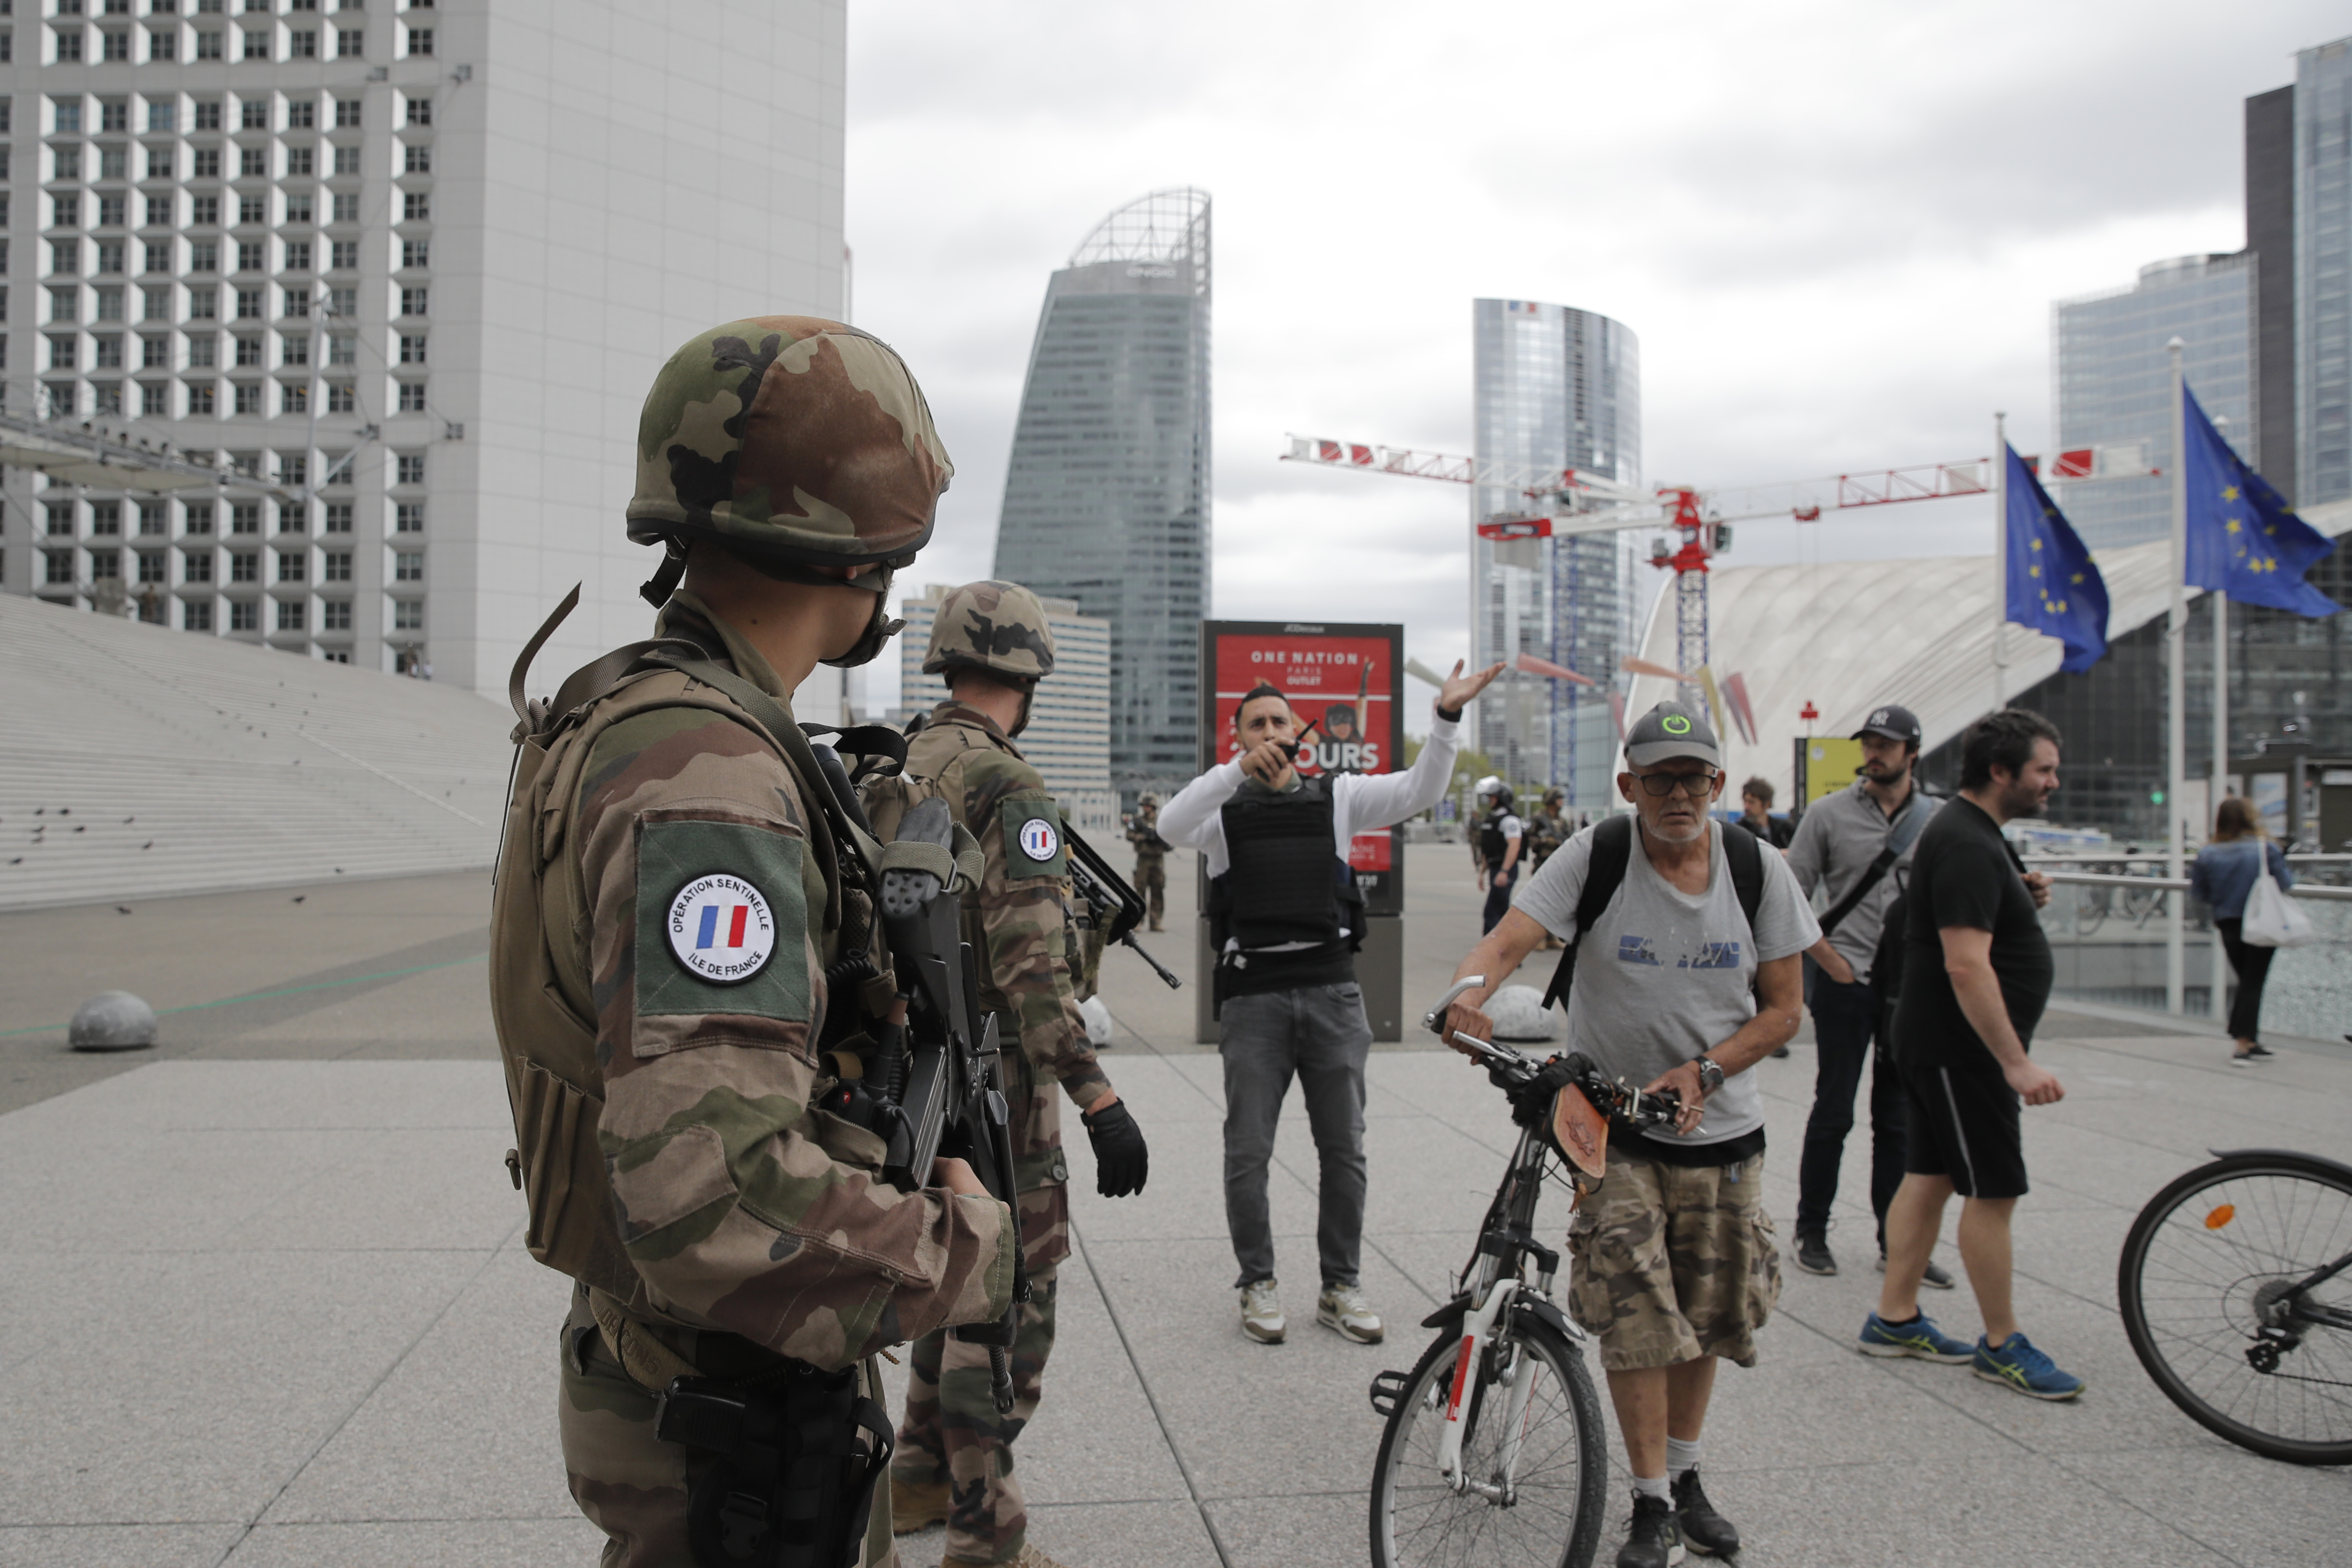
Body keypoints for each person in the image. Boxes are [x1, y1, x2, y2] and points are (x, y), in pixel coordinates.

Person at [490, 316, 1015, 1568]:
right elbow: (715, 1192)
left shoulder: (629, 709)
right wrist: (962, 1249)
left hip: (682, 1369)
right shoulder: (706, 774)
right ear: (865, 554)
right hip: (731, 1417)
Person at [1444, 700, 1817, 1568]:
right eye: (1659, 779)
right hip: (1612, 1133)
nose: (1678, 794)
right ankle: (1649, 1500)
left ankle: (1685, 1478)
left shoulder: (1759, 872)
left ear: (1718, 784)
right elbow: (1513, 938)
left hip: (1725, 1136)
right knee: (1636, 1313)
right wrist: (1470, 992)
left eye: (1693, 778)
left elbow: (1786, 1012)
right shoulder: (1600, 853)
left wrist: (1706, 1070)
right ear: (1630, 785)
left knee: (1707, 1313)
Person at [877, 580, 1148, 1568]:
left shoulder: (905, 761)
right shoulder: (1010, 787)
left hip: (920, 1081)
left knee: (952, 1277)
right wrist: (1098, 1095)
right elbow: (1036, 973)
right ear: (1030, 674)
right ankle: (987, 1538)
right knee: (1008, 1306)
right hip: (998, 1085)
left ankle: (913, 1476)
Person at [1157, 659, 1503, 1345]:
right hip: (1253, 999)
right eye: (1254, 724)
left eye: (1279, 721)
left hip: (1333, 994)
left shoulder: (1338, 797)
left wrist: (1445, 720)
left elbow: (1422, 789)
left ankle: (1340, 1286)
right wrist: (1235, 772)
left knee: (1344, 1150)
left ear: (1298, 732)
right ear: (1238, 738)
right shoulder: (1220, 811)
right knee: (1247, 1151)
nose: (1269, 731)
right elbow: (1169, 825)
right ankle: (1257, 1283)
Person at [1862, 707, 2085, 1401]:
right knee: (1994, 1189)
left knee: (1928, 1175)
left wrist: (2020, 897)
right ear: (2000, 771)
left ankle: (1895, 1315)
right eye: (2043, 769)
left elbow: (1965, 927)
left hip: (1938, 1041)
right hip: (1962, 1050)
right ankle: (2001, 1341)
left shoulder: (1972, 834)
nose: (2053, 780)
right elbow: (1966, 964)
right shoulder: (1962, 839)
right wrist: (2014, 1061)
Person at [1782, 703, 1953, 1286]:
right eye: (1868, 743)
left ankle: (1898, 1242)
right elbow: (1792, 894)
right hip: (1845, 981)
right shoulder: (1827, 815)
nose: (1874, 753)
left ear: (1912, 752)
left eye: (1887, 744)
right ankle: (1812, 1231)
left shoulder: (1938, 820)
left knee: (1899, 1118)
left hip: (1911, 991)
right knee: (1834, 1109)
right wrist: (1829, 962)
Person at [2190, 797, 2294, 1065]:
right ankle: (2243, 1044)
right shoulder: (2264, 848)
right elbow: (2285, 882)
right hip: (2261, 920)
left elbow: (2200, 893)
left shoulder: (2209, 853)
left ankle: (2247, 1036)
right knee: (2253, 981)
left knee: (2247, 979)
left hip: (2228, 921)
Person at [1471, 776, 1525, 934]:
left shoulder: (1509, 820)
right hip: (1496, 868)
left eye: (1493, 797)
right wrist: (1482, 873)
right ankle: (1505, 954)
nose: (1490, 801)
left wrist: (1505, 871)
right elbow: (1489, 849)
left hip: (1504, 869)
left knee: (1492, 912)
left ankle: (1493, 951)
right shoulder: (1492, 819)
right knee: (1500, 912)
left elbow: (1514, 846)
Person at [1126, 793, 1169, 932]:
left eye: (1149, 806)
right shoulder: (1138, 821)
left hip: (1158, 859)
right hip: (1143, 860)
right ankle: (1138, 921)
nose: (1146, 808)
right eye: (1145, 806)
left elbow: (1168, 836)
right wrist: (1139, 837)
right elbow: (1129, 834)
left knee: (1158, 890)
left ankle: (1156, 922)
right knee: (1140, 891)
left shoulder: (1161, 820)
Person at [1737, 777, 1794, 849]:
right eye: (1745, 801)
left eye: (1752, 802)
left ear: (1767, 804)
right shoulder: (1740, 830)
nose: (1747, 807)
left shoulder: (1784, 829)